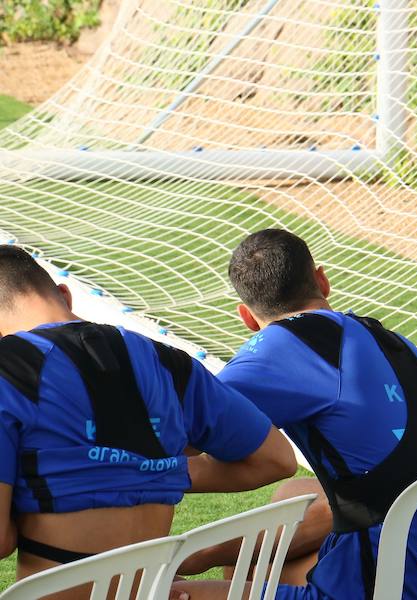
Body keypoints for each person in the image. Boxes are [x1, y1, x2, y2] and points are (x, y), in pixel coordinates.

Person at [173, 229, 417, 600]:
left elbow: (171, 437)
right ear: (322, 280)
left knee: (164, 593)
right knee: (279, 517)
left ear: (247, 318)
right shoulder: (389, 337)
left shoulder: (281, 348)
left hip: (396, 580)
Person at [0, 245, 298, 593]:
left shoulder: (8, 371)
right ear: (66, 295)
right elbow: (276, 459)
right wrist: (146, 471)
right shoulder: (169, 361)